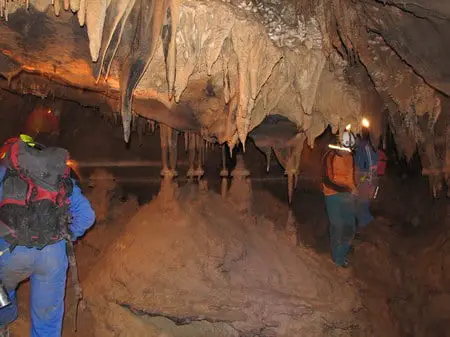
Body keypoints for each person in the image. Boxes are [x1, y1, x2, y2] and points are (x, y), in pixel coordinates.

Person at [0, 135, 95, 337]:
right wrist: (67, 236)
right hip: (53, 254)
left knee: (3, 290)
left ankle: (5, 322)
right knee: (48, 319)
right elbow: (87, 216)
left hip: (9, 251)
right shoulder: (59, 177)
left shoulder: (4, 173)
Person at [322, 126, 357, 267]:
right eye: (344, 149)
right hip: (332, 195)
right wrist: (347, 189)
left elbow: (350, 177)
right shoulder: (329, 157)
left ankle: (341, 253)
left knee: (350, 226)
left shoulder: (349, 157)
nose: (346, 152)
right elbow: (327, 180)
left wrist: (355, 190)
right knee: (337, 225)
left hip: (346, 195)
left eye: (349, 150)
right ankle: (337, 259)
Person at [354, 121, 378, 229]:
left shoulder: (367, 149)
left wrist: (370, 184)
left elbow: (372, 166)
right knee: (359, 206)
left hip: (366, 182)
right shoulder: (359, 149)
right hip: (361, 181)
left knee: (362, 206)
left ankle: (369, 227)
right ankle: (365, 227)